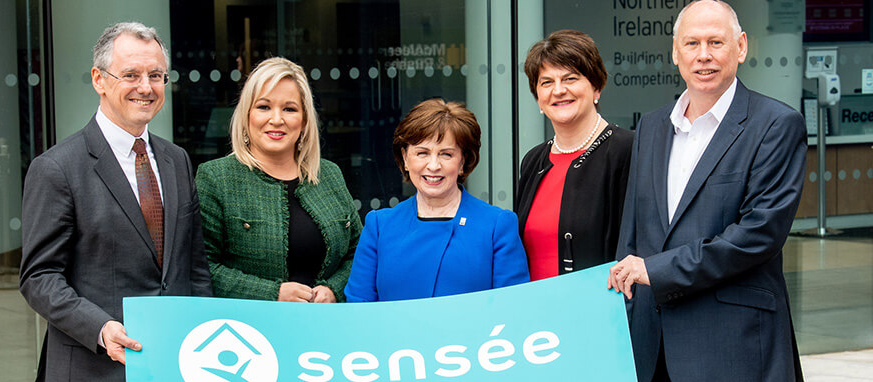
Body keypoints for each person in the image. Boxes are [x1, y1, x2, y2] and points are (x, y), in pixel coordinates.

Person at [608, 1, 805, 382]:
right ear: (674, 53)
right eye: (692, 43)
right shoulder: (653, 126)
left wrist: (655, 270)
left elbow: (759, 233)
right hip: (654, 365)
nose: (704, 55)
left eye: (716, 42)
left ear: (740, 47)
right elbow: (633, 234)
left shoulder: (775, 125)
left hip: (739, 362)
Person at [19, 22, 212, 382]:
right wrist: (100, 327)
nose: (146, 87)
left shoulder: (176, 159)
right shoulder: (57, 169)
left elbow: (193, 266)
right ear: (99, 80)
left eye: (157, 75)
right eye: (131, 75)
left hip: (171, 380)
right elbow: (39, 278)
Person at [196, 57, 362, 302]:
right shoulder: (216, 178)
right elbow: (202, 269)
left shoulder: (329, 175)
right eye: (264, 107)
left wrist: (334, 290)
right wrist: (272, 294)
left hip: (326, 330)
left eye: (289, 109)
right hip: (251, 333)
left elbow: (360, 253)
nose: (276, 119)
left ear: (304, 120)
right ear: (247, 115)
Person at [345, 98, 529, 302]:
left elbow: (512, 310)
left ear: (463, 161)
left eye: (446, 154)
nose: (433, 165)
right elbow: (359, 308)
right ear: (405, 158)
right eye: (422, 153)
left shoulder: (497, 226)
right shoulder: (379, 226)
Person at [516, 30, 633, 280]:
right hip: (538, 315)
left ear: (596, 87)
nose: (558, 90)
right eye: (546, 82)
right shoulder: (533, 161)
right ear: (538, 98)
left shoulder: (628, 150)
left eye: (570, 78)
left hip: (600, 311)